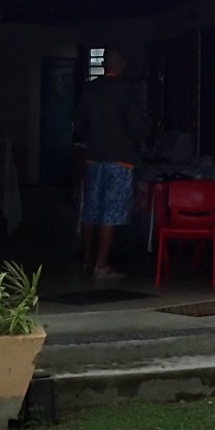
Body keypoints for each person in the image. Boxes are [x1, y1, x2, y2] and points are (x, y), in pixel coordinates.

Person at [74, 51, 150, 280]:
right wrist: (145, 135)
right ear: (123, 64)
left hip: (93, 157)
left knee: (91, 210)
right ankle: (102, 264)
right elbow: (137, 126)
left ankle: (87, 261)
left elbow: (79, 125)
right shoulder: (128, 92)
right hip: (120, 159)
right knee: (111, 211)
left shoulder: (90, 90)